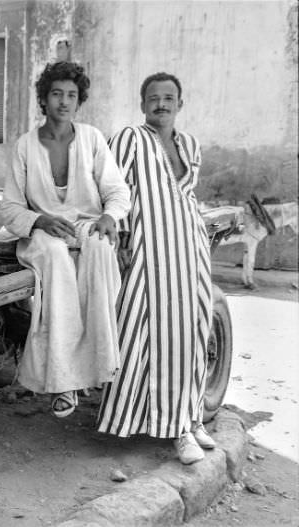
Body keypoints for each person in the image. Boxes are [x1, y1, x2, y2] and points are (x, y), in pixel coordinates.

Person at [96, 72, 217, 464]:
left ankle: (191, 416)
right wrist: (125, 239)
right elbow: (114, 190)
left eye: (169, 98)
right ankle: (175, 430)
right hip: (151, 252)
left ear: (180, 104)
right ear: (142, 103)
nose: (161, 104)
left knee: (195, 331)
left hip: (190, 250)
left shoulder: (191, 145)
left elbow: (186, 194)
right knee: (155, 338)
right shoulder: (129, 138)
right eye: (153, 97)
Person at [0, 62, 131, 418]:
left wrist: (108, 217)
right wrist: (39, 219)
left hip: (88, 225)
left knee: (101, 250)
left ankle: (100, 365)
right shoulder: (25, 146)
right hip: (42, 233)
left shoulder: (91, 138)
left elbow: (118, 191)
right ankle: (64, 381)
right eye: (56, 93)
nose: (64, 101)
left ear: (79, 100)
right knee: (56, 257)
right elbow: (9, 209)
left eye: (71, 95)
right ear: (43, 99)